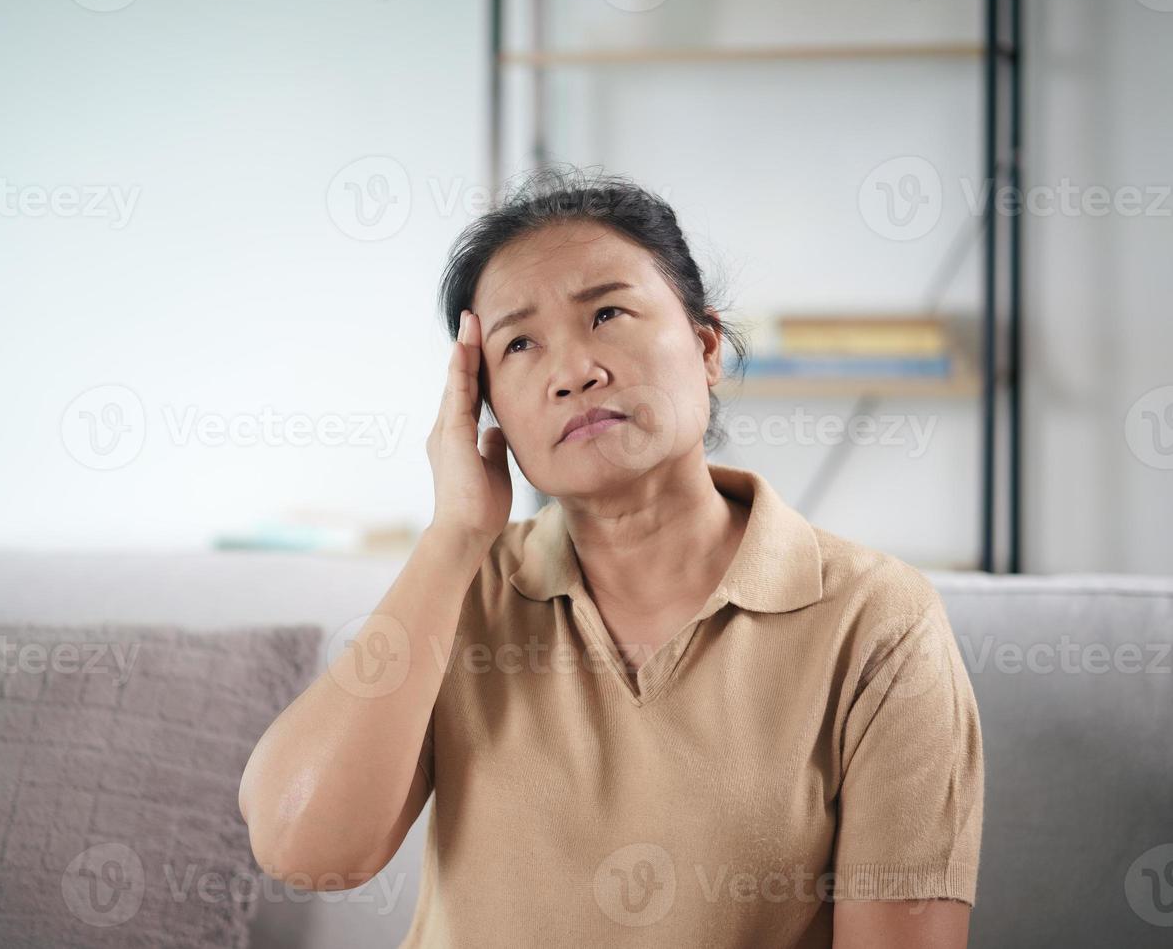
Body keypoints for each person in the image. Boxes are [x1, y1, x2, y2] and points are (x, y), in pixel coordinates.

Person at [239, 166, 983, 948]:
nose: (574, 372)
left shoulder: (877, 621)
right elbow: (304, 849)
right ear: (483, 407)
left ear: (704, 348)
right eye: (519, 342)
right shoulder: (462, 591)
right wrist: (453, 537)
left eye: (608, 313)